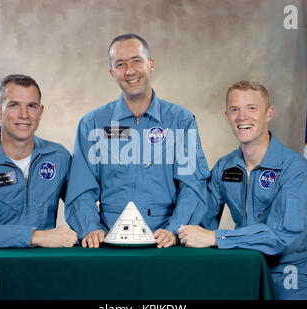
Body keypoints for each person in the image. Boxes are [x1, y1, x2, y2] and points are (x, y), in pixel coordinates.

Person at [178, 80, 307, 300]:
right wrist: (173, 231)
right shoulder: (225, 167)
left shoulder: (296, 170)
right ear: (227, 116)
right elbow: (201, 221)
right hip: (245, 267)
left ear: (269, 113)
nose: (242, 117)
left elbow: (285, 236)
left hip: (288, 274)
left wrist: (216, 238)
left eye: (251, 108)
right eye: (234, 109)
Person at [65, 34, 209, 248]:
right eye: (120, 64)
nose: (130, 71)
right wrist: (91, 228)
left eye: (136, 61)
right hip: (108, 242)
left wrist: (175, 230)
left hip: (165, 243)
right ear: (112, 73)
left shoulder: (180, 120)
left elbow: (193, 186)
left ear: (150, 64)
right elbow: (80, 188)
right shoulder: (93, 124)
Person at [0, 74, 77, 300]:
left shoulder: (58, 156)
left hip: (45, 267)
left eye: (31, 106)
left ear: (40, 112)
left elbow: (81, 205)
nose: (24, 115)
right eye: (14, 105)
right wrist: (37, 236)